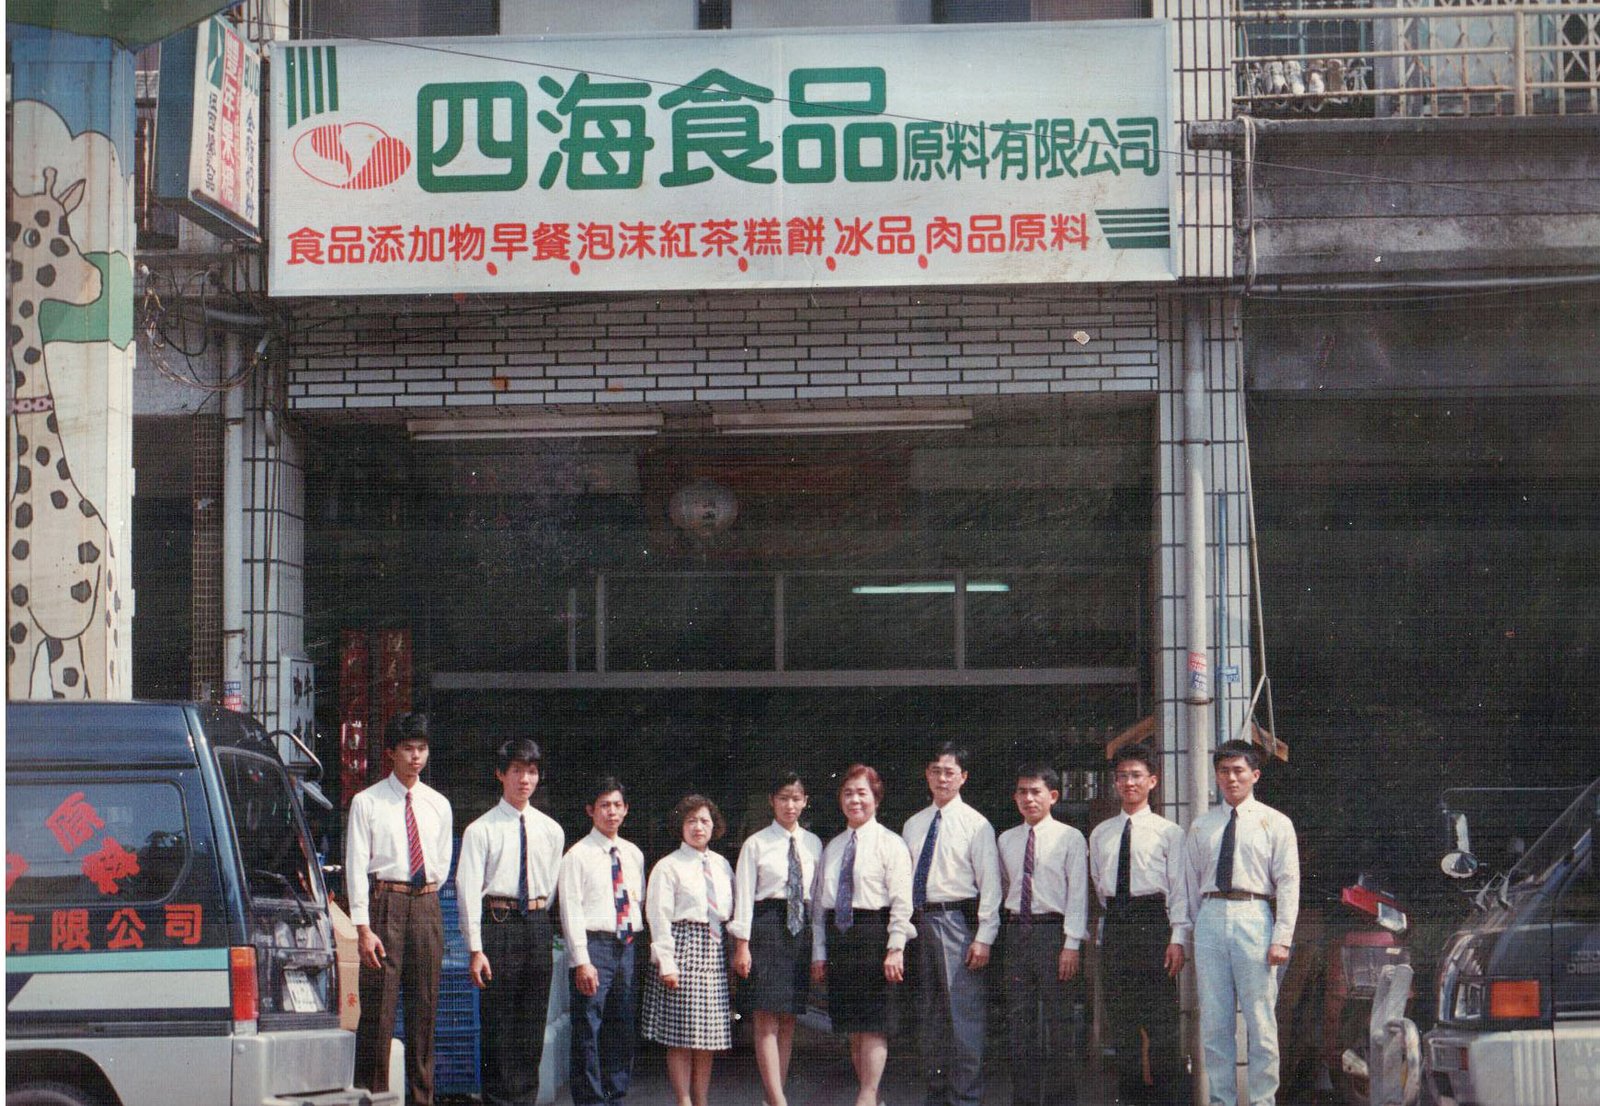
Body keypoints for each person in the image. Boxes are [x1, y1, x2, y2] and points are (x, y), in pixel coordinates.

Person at [346, 711, 454, 1105]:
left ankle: (422, 1100)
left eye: (422, 749)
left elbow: (441, 862)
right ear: (391, 753)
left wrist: (424, 892)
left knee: (424, 1011)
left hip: (426, 903)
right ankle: (372, 1098)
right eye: (408, 748)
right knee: (378, 1013)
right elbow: (357, 865)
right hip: (384, 905)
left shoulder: (438, 804)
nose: (415, 757)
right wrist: (362, 927)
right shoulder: (368, 802)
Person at [1185, 740, 1300, 1106]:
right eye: (1224, 771)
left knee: (1260, 1021)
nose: (1231, 778)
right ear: (1216, 776)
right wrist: (1193, 929)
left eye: (1238, 770)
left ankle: (1263, 1100)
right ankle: (1221, 1100)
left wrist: (1282, 936)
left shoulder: (1276, 823)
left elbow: (1288, 882)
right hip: (1212, 916)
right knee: (1216, 1022)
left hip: (1254, 915)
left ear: (1255, 774)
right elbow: (1191, 883)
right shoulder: (1202, 826)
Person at [455, 737, 564, 1106]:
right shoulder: (480, 830)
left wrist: (535, 915)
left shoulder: (551, 830)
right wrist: (475, 948)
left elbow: (549, 886)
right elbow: (467, 889)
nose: (524, 779)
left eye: (531, 772)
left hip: (535, 924)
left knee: (531, 1025)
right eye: (516, 770)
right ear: (500, 774)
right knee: (499, 1027)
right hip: (497, 924)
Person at [1088, 743, 1190, 1106]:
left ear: (1152, 781)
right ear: (1115, 783)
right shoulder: (1101, 833)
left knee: (1160, 1021)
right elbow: (1100, 885)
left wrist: (1177, 938)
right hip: (1117, 923)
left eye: (1136, 776)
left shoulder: (1169, 832)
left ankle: (1167, 1100)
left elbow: (1179, 889)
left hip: (1153, 924)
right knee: (1122, 1020)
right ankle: (1130, 1099)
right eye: (1122, 777)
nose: (1129, 783)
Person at [901, 742, 1002, 1106]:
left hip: (957, 924)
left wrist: (985, 937)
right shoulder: (913, 825)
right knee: (929, 1018)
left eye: (949, 772)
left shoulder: (976, 825)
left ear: (963, 777)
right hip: (919, 924)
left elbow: (991, 885)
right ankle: (937, 1094)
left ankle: (966, 1098)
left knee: (964, 1019)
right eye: (935, 771)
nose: (942, 778)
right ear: (926, 775)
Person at [811, 764, 916, 1106]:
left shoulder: (892, 844)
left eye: (862, 793)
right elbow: (819, 906)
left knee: (873, 1022)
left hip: (875, 936)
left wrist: (896, 947)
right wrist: (820, 951)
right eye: (848, 793)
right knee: (853, 1024)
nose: (855, 800)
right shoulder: (833, 847)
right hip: (841, 937)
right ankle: (868, 1095)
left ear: (876, 798)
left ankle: (867, 1096)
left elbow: (903, 901)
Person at [996, 763, 1088, 1106]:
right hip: (1017, 932)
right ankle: (1025, 1100)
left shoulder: (1069, 837)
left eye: (1036, 792)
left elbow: (1077, 893)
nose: (1028, 798)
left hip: (1054, 933)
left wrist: (1071, 944)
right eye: (1022, 792)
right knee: (1020, 1024)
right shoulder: (1006, 839)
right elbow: (1006, 886)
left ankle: (1062, 1100)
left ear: (1053, 796)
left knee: (1059, 1023)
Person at [730, 770, 824, 1106]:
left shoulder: (813, 844)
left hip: (799, 931)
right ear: (772, 801)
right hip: (765, 929)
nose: (790, 805)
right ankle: (778, 1100)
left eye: (796, 798)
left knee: (788, 1019)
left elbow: (817, 896)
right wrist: (741, 944)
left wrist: (818, 949)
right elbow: (743, 896)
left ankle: (775, 1097)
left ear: (805, 801)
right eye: (783, 798)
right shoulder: (755, 844)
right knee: (765, 1017)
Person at [642, 795, 737, 1106]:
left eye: (705, 821)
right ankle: (683, 1099)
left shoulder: (722, 865)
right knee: (681, 1035)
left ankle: (701, 1099)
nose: (699, 827)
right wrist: (666, 962)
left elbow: (729, 912)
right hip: (681, 948)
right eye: (692, 821)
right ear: (681, 826)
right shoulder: (668, 866)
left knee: (707, 1037)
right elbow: (658, 916)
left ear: (715, 826)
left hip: (713, 950)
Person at [559, 776, 646, 1106]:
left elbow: (637, 900)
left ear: (626, 810)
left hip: (625, 946)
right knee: (588, 1029)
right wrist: (582, 960)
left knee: (621, 1026)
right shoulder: (577, 855)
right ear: (590, 811)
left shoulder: (633, 853)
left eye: (617, 805)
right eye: (604, 805)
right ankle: (591, 1100)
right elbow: (571, 911)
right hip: (593, 948)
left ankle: (615, 1095)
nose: (612, 812)